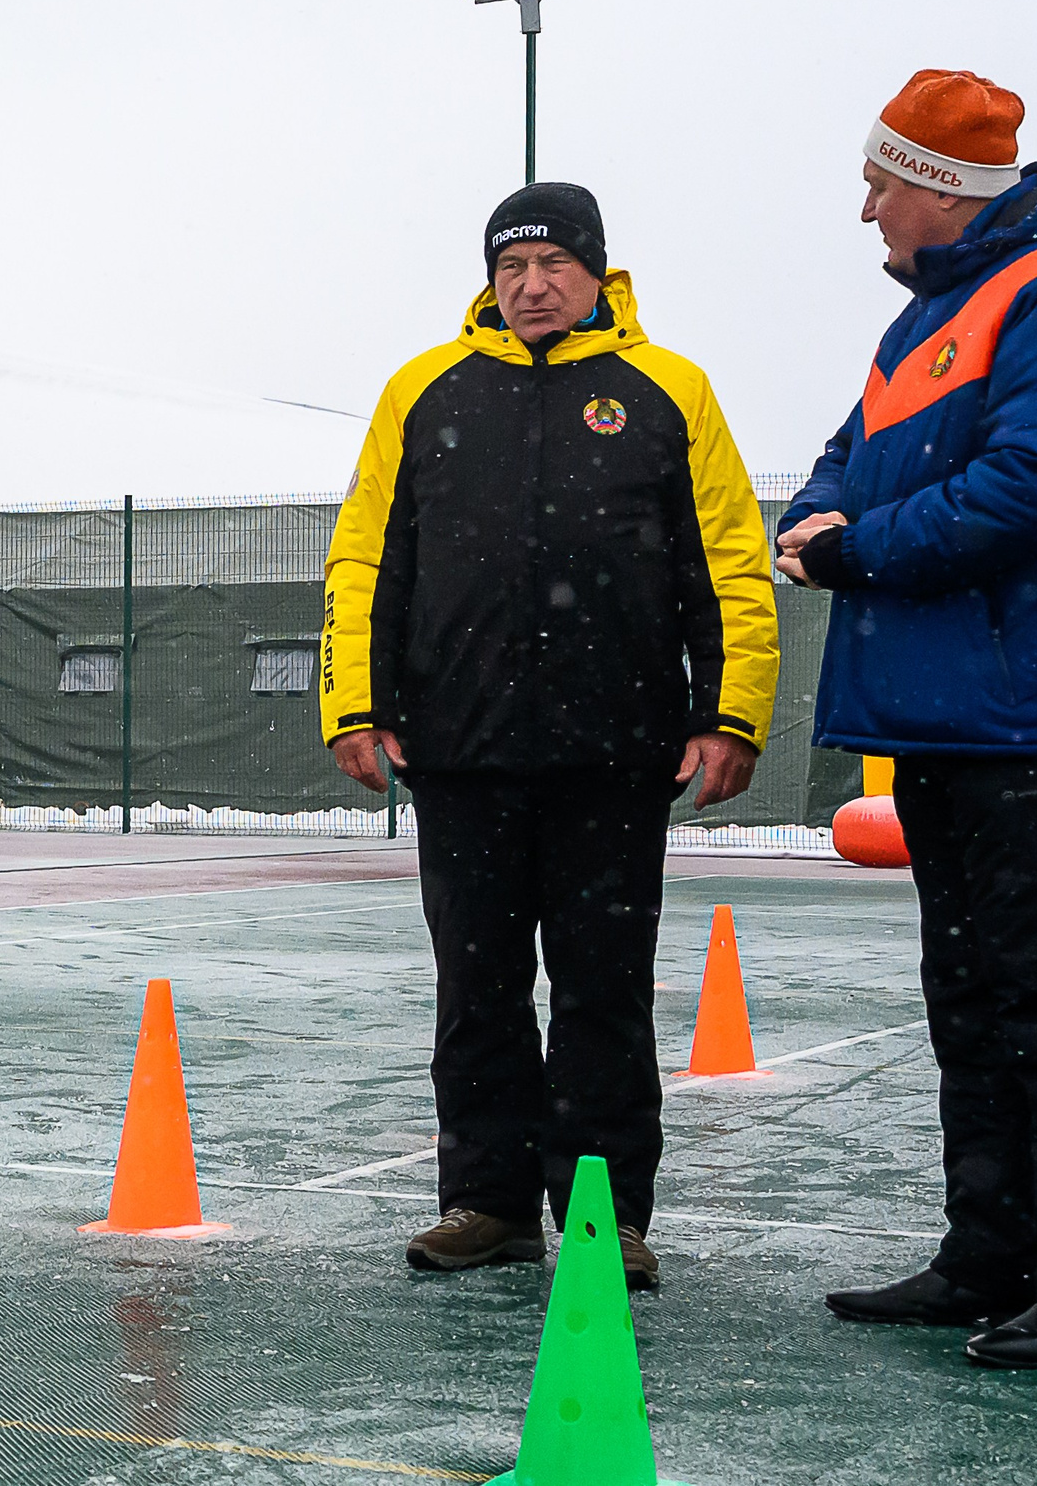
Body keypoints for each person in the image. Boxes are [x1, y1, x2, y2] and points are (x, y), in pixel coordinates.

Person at [778, 70, 1037, 1368]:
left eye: (881, 183)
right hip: (953, 713)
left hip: (1033, 711)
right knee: (972, 994)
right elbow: (843, 458)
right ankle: (990, 1252)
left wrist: (854, 547)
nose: (866, 209)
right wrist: (823, 516)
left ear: (943, 190)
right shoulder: (926, 319)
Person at [322, 181, 780, 1293]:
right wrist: (355, 703)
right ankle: (486, 1203)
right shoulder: (421, 390)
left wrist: (730, 715)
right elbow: (367, 557)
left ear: (597, 273)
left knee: (602, 993)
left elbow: (726, 561)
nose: (531, 286)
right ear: (489, 280)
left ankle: (602, 1218)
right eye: (511, 267)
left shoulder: (669, 390)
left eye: (553, 265)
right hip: (461, 751)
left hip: (614, 756)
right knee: (475, 989)